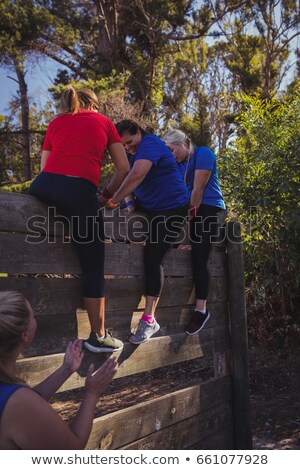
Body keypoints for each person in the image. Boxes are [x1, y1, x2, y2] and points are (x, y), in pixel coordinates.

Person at [28, 86, 130, 353]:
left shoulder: (56, 122)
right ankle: (98, 336)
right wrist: (105, 196)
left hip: (43, 187)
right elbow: (124, 168)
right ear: (94, 105)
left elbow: (44, 168)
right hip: (78, 191)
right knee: (94, 264)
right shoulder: (105, 122)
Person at [0, 291, 118, 449]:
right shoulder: (18, 402)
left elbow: (27, 401)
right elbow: (72, 449)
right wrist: (92, 393)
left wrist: (66, 369)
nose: (34, 320)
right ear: (25, 334)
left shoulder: (15, 399)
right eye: (32, 316)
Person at [110, 120, 190, 344]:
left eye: (130, 141)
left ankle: (149, 319)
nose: (128, 147)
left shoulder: (151, 143)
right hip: (151, 208)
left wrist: (113, 200)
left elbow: (136, 176)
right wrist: (128, 203)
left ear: (138, 132)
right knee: (120, 233)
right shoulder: (129, 152)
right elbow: (124, 177)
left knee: (153, 256)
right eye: (124, 145)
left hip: (173, 208)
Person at [163, 130, 226, 335]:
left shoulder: (203, 154)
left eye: (173, 150)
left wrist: (186, 219)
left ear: (184, 143)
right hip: (189, 208)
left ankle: (201, 310)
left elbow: (198, 190)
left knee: (199, 255)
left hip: (208, 207)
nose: (172, 155)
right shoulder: (178, 165)